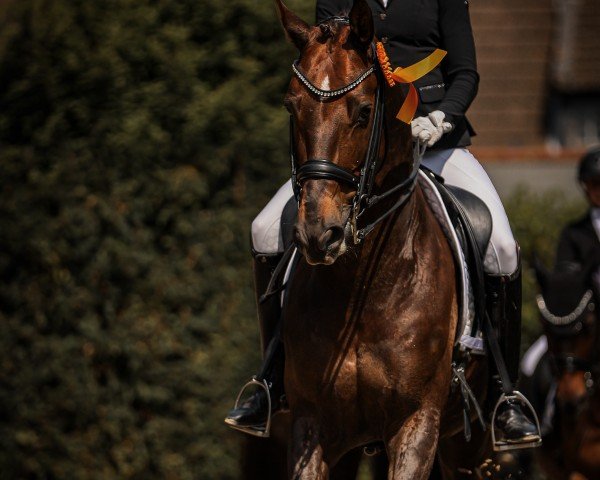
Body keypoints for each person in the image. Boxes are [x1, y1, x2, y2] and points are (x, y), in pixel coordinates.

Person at [225, 0, 540, 448]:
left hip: (434, 140)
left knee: (503, 248)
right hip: (357, 142)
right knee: (263, 229)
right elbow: (327, 60)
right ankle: (272, 379)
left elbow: (465, 73)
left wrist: (442, 117)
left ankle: (504, 398)